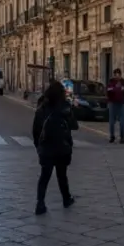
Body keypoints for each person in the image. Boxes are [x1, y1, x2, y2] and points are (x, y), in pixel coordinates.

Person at [31, 80, 78, 214]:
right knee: (62, 175)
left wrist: (38, 146)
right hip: (62, 147)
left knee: (44, 177)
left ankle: (40, 203)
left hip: (46, 148)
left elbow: (35, 130)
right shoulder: (65, 107)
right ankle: (66, 199)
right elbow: (74, 125)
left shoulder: (42, 108)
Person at [105, 69, 124, 144]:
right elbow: (108, 91)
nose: (117, 77)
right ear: (114, 75)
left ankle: (122, 137)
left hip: (121, 104)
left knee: (122, 122)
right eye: (116, 75)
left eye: (118, 75)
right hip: (112, 103)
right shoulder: (111, 82)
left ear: (120, 75)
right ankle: (112, 136)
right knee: (112, 122)